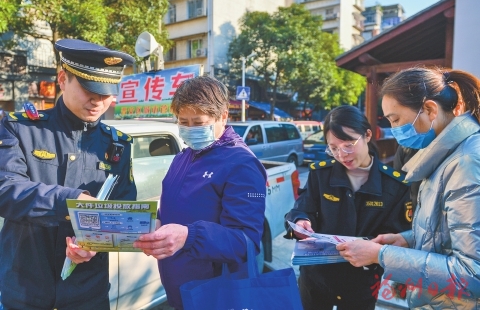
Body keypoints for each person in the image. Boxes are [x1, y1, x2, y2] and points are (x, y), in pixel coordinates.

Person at [0, 39, 137, 310]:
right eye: (90, 90)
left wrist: (96, 243)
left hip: (88, 294)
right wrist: (74, 203)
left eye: (107, 93)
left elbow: (124, 212)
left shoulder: (117, 144)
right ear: (63, 79)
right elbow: (6, 190)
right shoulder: (21, 129)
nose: (98, 102)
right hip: (25, 291)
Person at [337, 67, 480, 309]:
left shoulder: (466, 163)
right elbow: (448, 232)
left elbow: (471, 274)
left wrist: (380, 255)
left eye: (396, 119)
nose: (395, 130)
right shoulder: (445, 157)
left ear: (429, 110)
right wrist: (407, 239)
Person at [133, 75, 267, 310]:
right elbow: (175, 211)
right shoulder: (183, 157)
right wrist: (156, 225)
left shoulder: (241, 164)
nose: (189, 129)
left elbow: (245, 241)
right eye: (183, 122)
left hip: (215, 294)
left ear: (223, 116)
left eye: (198, 122)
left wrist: (189, 236)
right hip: (179, 289)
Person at [284, 105, 412, 310]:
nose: (341, 154)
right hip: (317, 279)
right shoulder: (320, 174)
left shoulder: (394, 184)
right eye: (333, 148)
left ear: (367, 135)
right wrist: (301, 221)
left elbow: (400, 237)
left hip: (362, 282)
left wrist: (373, 247)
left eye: (348, 145)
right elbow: (303, 208)